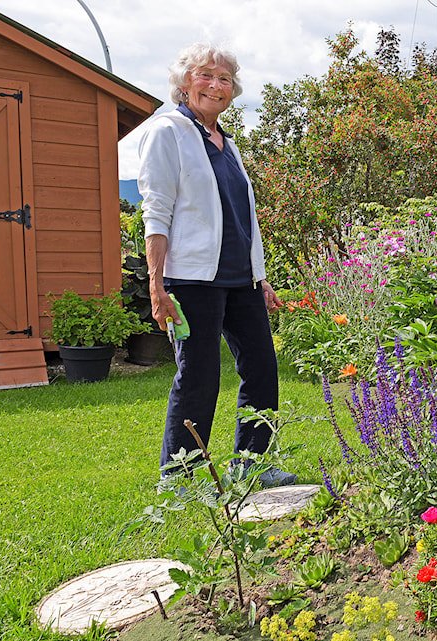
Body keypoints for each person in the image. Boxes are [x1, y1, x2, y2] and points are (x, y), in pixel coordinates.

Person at [138, 43, 296, 487]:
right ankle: (180, 475)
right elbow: (156, 212)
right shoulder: (167, 131)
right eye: (205, 75)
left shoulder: (228, 144)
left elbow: (243, 215)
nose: (215, 85)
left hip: (240, 281)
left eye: (224, 79)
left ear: (232, 90)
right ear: (185, 82)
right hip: (191, 281)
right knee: (199, 375)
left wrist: (259, 277)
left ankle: (251, 462)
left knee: (262, 367)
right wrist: (157, 285)